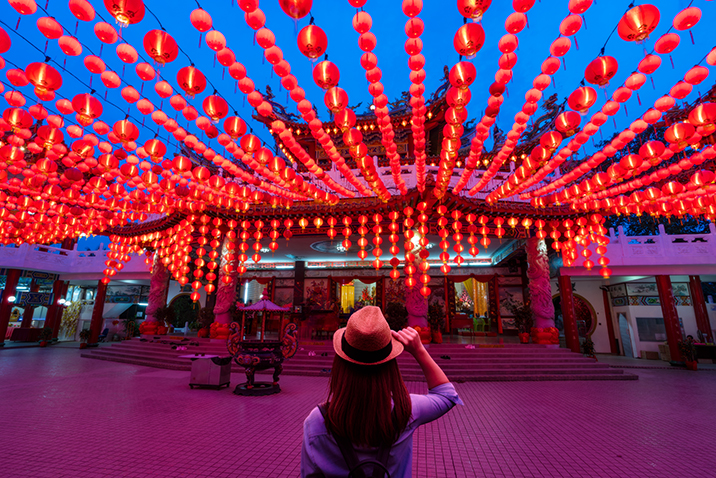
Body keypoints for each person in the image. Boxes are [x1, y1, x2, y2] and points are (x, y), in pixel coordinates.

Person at [301, 306, 462, 478]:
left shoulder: (317, 421)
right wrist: (419, 350)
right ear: (390, 364)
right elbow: (447, 395)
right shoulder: (406, 412)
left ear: (340, 363)